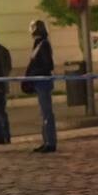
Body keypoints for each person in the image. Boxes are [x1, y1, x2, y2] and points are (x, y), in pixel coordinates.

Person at [24, 20, 56, 152]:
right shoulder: (39, 43)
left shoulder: (43, 44)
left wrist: (34, 73)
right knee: (43, 113)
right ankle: (46, 140)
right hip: (39, 82)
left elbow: (48, 65)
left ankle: (50, 142)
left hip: (43, 81)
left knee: (47, 113)